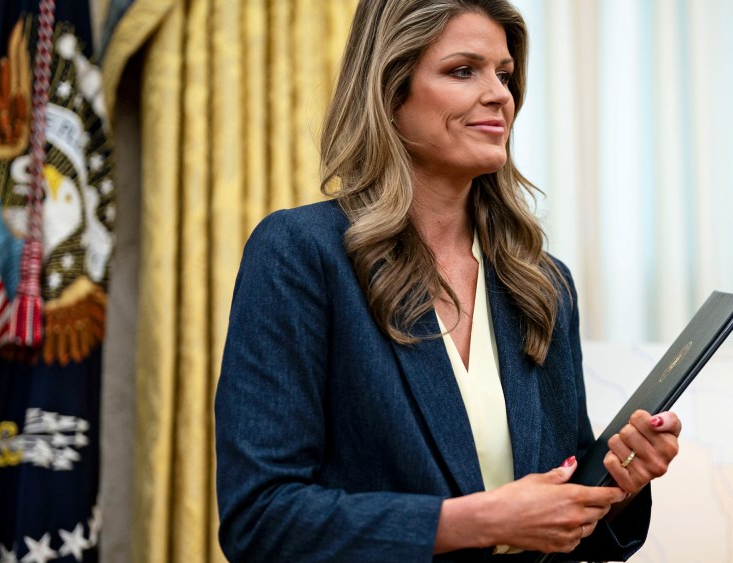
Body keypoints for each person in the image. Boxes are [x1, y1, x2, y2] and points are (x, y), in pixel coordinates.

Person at [214, 0, 681, 561]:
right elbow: (261, 520)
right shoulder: (301, 254)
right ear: (390, 91)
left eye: (504, 75)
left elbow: (566, 520)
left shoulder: (541, 283)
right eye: (463, 71)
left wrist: (619, 484)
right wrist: (481, 521)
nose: (499, 94)